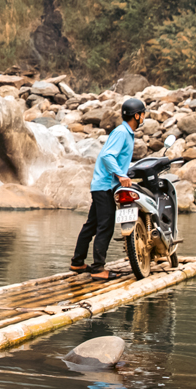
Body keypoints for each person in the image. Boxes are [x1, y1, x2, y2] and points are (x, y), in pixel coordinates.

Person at [70, 97, 146, 281]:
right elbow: (107, 156)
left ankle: (78, 261)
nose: (144, 117)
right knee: (105, 226)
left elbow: (114, 157)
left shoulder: (125, 132)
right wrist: (121, 175)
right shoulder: (122, 133)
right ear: (137, 115)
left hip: (101, 184)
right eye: (142, 114)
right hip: (105, 185)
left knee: (92, 225)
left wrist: (125, 172)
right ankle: (98, 269)